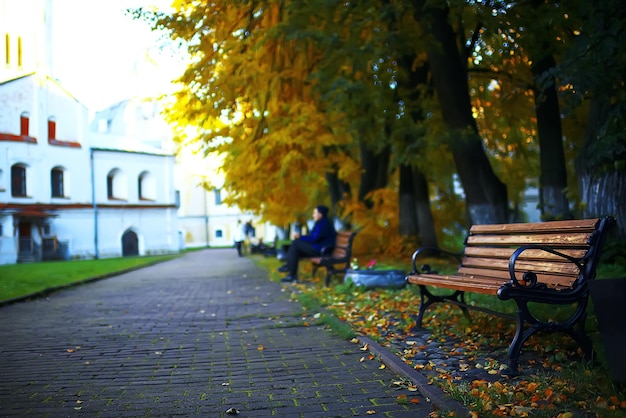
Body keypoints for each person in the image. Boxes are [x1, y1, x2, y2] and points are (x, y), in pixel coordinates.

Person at [279, 205, 337, 283]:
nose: (313, 215)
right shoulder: (321, 223)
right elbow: (312, 237)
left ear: (320, 214)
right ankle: (290, 271)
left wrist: (300, 237)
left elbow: (314, 239)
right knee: (295, 249)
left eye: (314, 213)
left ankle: (290, 271)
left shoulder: (324, 224)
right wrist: (301, 237)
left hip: (321, 250)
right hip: (318, 248)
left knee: (296, 243)